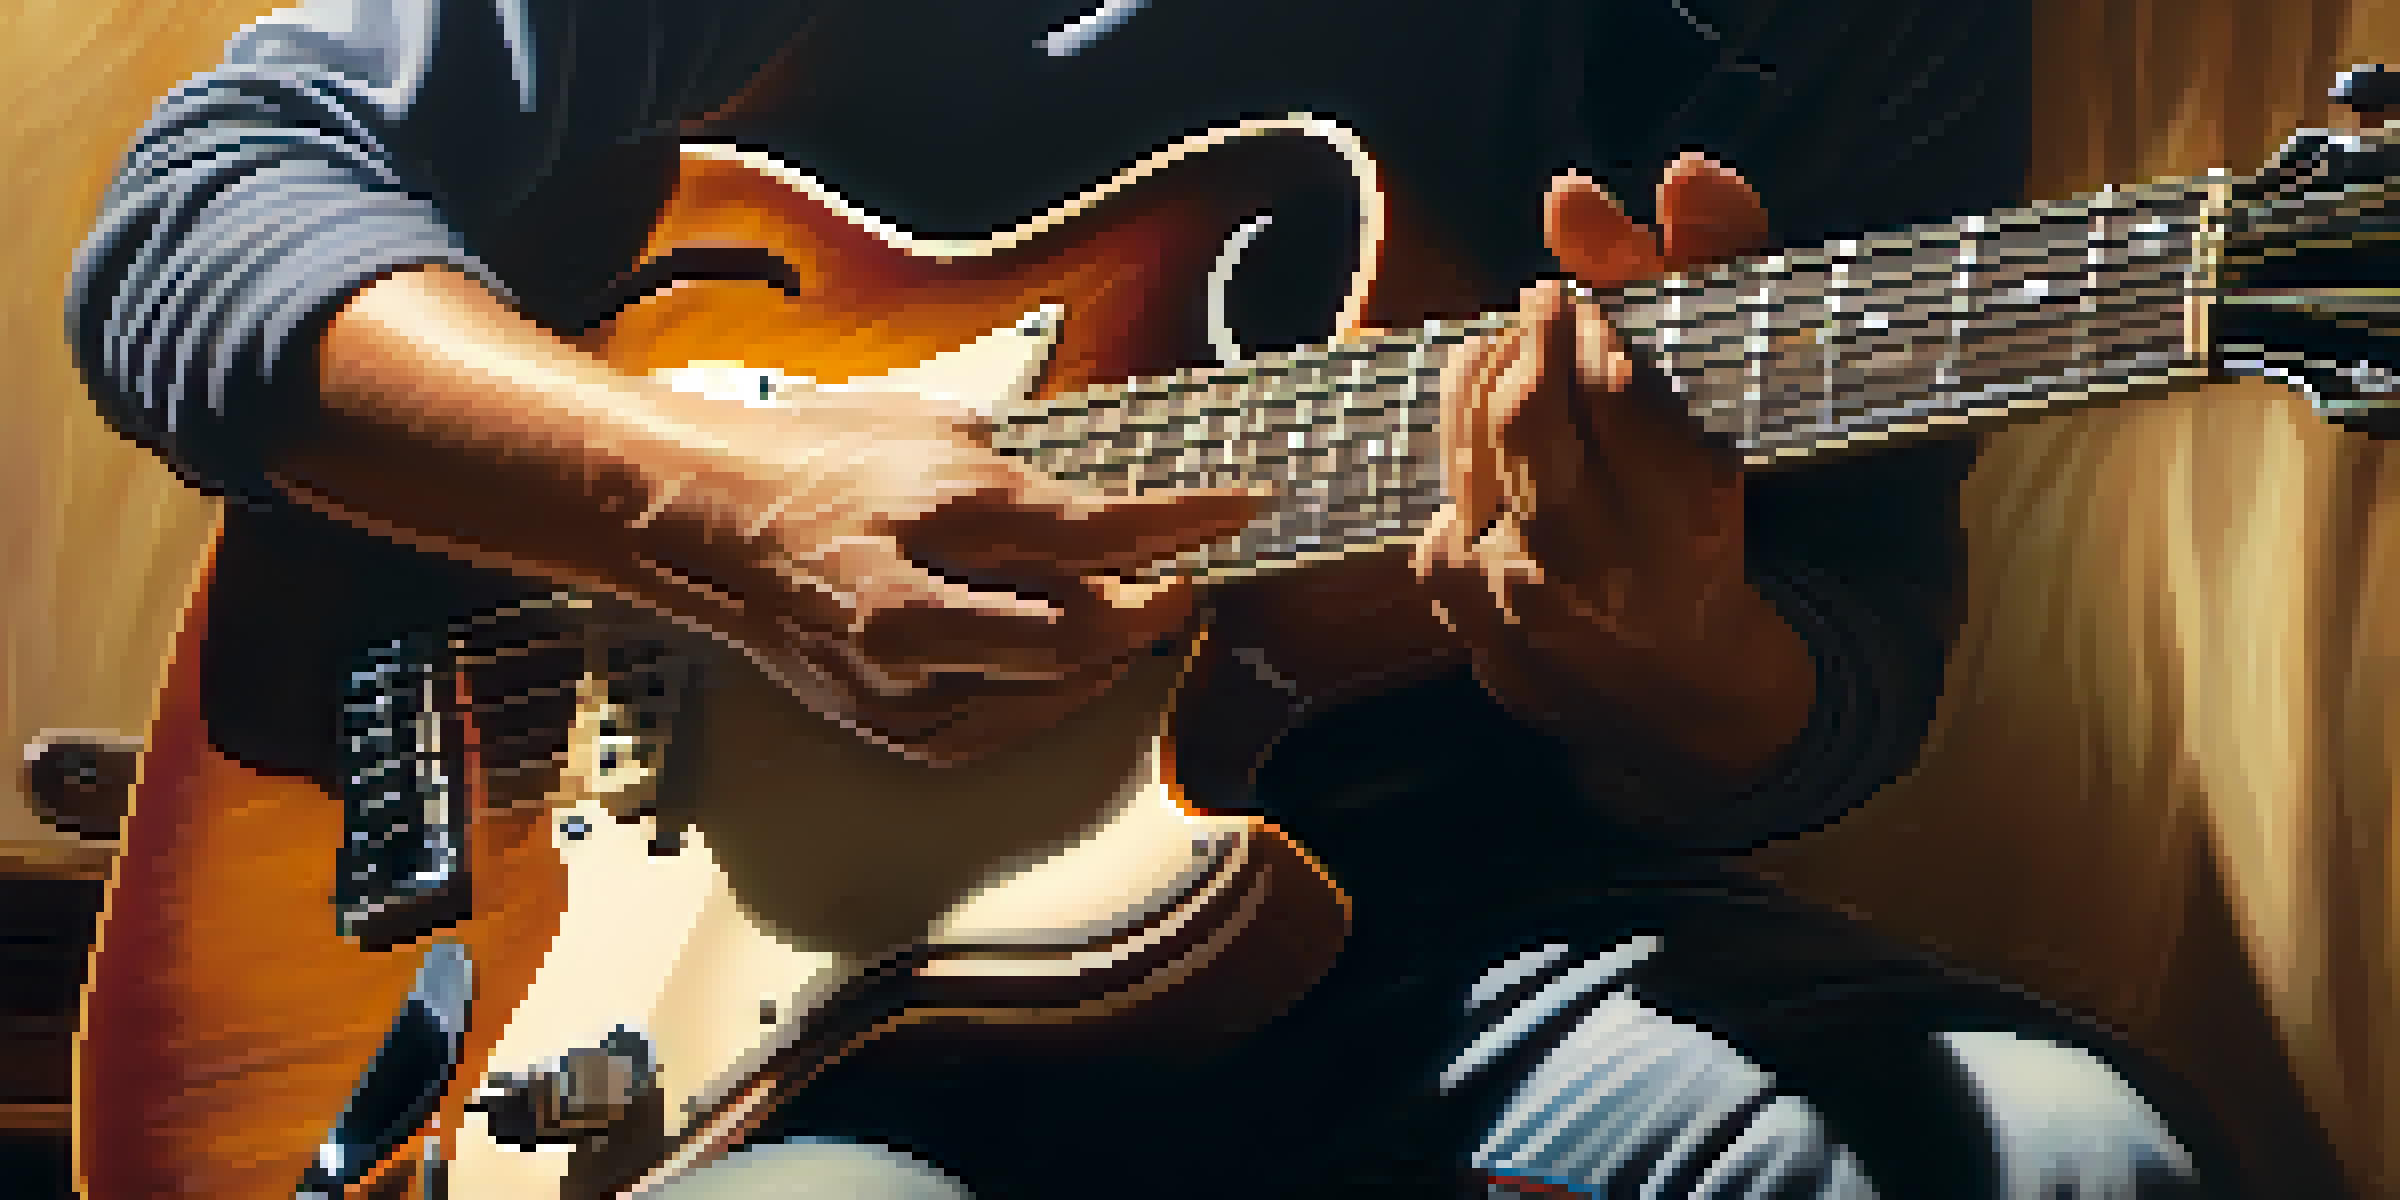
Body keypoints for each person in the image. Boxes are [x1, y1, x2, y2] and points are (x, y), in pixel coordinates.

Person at [65, 0, 2259, 1195]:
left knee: (2068, 1166)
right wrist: (704, 511)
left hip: (1446, 935)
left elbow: (1847, 667)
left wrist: (1667, 652)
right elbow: (206, 212)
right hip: (716, 991)